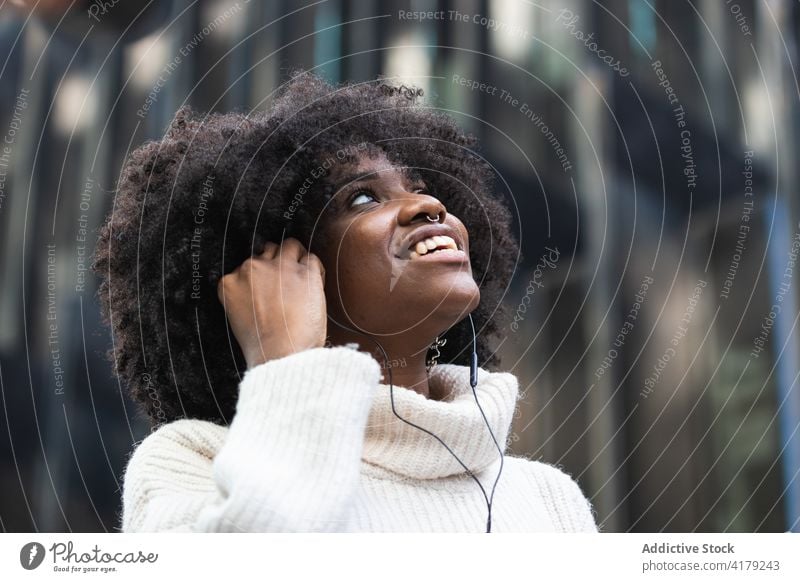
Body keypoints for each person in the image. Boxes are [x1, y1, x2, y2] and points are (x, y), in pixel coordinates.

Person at [92, 71, 599, 533]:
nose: (430, 205)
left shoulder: (549, 500)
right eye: (362, 198)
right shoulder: (189, 465)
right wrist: (288, 362)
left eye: (419, 188)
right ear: (280, 269)